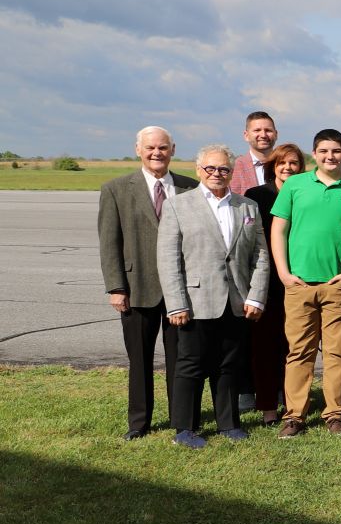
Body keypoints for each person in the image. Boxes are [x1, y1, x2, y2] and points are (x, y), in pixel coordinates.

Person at [156, 145, 269, 447]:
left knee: (229, 365)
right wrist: (176, 303)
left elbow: (260, 255)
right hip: (195, 302)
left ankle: (228, 423)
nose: (217, 174)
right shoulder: (178, 206)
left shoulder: (247, 207)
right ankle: (185, 428)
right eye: (211, 169)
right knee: (190, 366)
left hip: (236, 302)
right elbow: (168, 260)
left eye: (224, 169)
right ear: (199, 170)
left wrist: (255, 297)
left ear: (232, 172)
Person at [98, 126, 200, 439]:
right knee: (139, 361)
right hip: (136, 287)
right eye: (151, 148)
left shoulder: (190, 187)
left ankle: (181, 420)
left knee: (181, 360)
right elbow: (109, 241)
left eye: (163, 148)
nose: (157, 153)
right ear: (138, 149)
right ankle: (139, 423)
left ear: (173, 149)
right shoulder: (116, 188)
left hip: (180, 292)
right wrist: (116, 287)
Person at [270, 128, 341, 436]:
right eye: (324, 151)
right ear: (315, 154)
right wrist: (284, 274)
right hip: (299, 285)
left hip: (338, 285)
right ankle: (295, 415)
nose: (330, 156)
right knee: (299, 352)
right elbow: (278, 230)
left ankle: (335, 412)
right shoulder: (296, 184)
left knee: (337, 353)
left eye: (336, 151)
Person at [246, 142, 302, 425]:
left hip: (300, 277)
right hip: (265, 281)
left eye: (293, 163)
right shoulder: (256, 196)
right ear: (273, 166)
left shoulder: (305, 192)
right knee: (266, 346)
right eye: (282, 163)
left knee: (294, 346)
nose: (288, 168)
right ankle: (268, 404)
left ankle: (292, 401)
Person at [229, 111, 278, 195]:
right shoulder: (234, 168)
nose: (263, 135)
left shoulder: (286, 165)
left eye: (268, 130)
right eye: (257, 130)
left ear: (276, 134)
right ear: (246, 135)